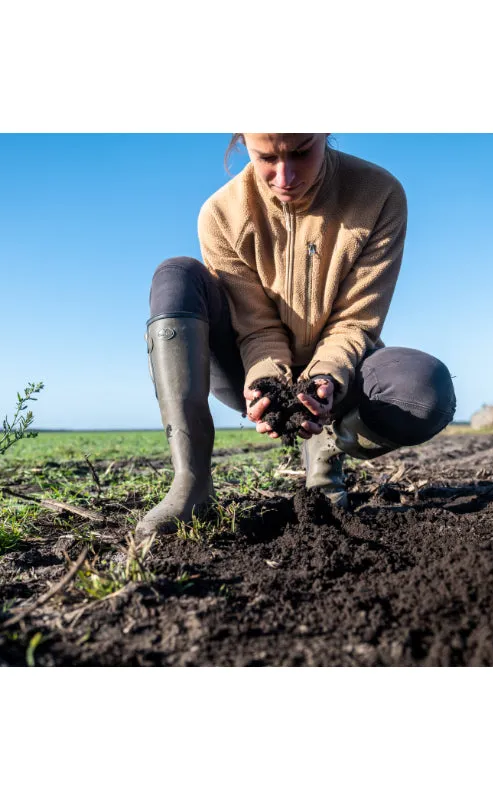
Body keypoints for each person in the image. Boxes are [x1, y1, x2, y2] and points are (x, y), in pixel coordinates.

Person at [137, 133, 456, 536]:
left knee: (424, 393)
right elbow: (255, 326)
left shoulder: (378, 194)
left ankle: (327, 445)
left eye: (302, 151)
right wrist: (267, 383)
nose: (285, 176)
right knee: (176, 276)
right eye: (267, 157)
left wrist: (325, 378)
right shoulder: (220, 215)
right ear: (243, 143)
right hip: (247, 366)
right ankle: (191, 483)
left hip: (343, 368)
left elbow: (354, 321)